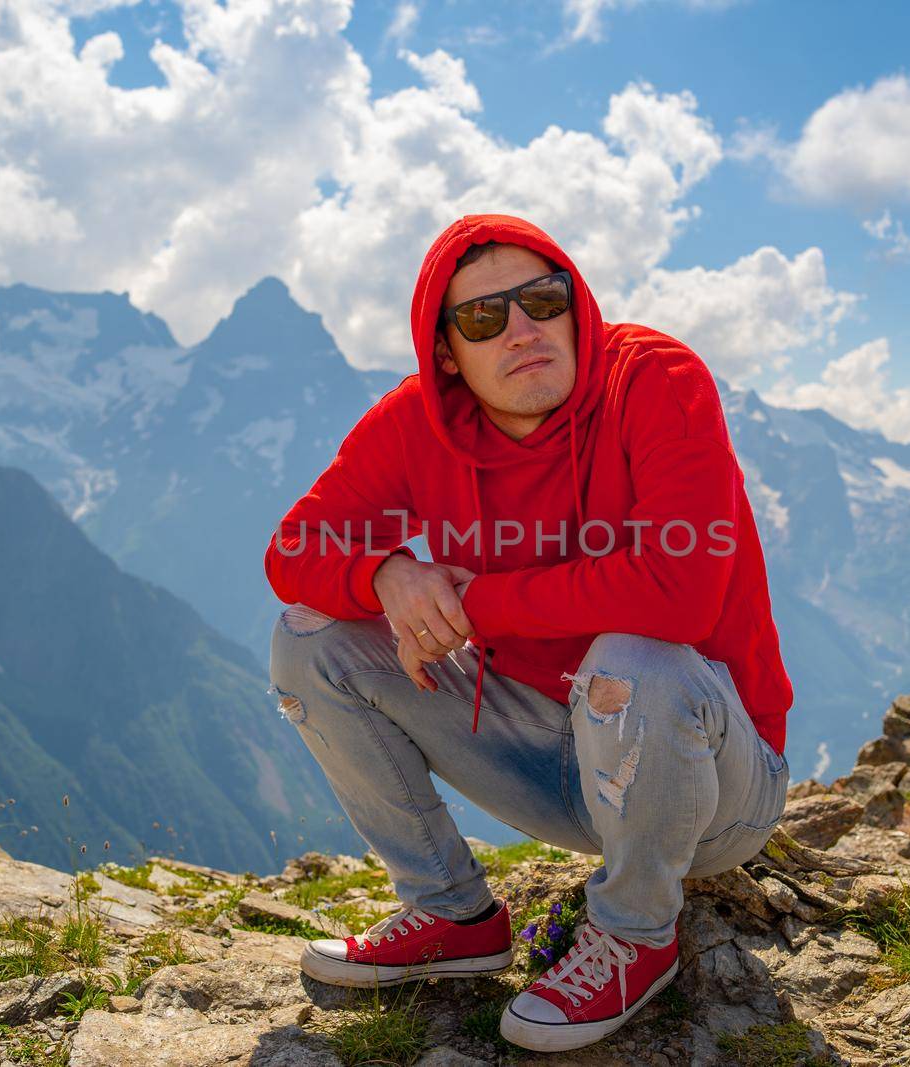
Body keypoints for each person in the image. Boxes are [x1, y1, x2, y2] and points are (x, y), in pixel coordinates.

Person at [265, 213, 793, 1053]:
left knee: (634, 657)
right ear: (447, 352)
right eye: (483, 318)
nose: (521, 330)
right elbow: (292, 548)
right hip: (549, 752)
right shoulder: (418, 424)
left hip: (713, 791)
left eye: (543, 301)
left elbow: (680, 592)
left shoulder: (654, 379)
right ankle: (451, 913)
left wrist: (479, 606)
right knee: (313, 636)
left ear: (574, 305)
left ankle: (634, 933)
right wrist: (388, 575)